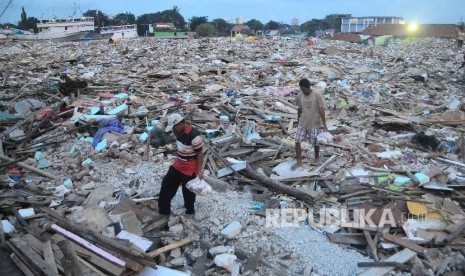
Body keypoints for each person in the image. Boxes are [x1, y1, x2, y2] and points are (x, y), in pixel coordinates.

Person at [158, 113, 204, 217]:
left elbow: (200, 155)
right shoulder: (179, 131)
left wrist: (199, 171)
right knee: (166, 184)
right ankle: (163, 211)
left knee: (188, 191)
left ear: (179, 124)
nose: (173, 131)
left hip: (190, 167)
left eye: (173, 128)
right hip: (179, 163)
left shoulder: (194, 136)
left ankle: (189, 211)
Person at [292, 78, 327, 170]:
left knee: (315, 143)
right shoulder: (299, 96)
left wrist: (324, 124)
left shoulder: (316, 95)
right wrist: (298, 120)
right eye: (301, 89)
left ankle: (316, 157)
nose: (303, 91)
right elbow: (299, 108)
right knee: (297, 141)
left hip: (314, 123)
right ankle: (299, 161)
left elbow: (321, 110)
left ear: (308, 88)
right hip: (303, 123)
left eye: (304, 89)